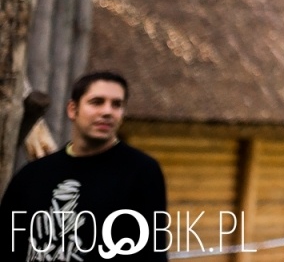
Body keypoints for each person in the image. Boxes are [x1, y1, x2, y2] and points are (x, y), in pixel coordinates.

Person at [2, 71, 167, 262]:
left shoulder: (141, 172)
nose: (107, 111)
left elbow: (151, 253)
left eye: (117, 105)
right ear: (73, 109)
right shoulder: (32, 177)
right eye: (97, 102)